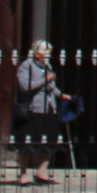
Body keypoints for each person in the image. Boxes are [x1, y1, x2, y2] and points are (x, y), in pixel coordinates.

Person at [12, 40, 61, 184]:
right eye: (45, 51)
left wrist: (62, 95)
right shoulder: (27, 65)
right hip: (34, 108)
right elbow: (25, 86)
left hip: (49, 107)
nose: (48, 54)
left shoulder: (48, 66)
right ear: (36, 52)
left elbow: (52, 87)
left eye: (49, 51)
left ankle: (42, 172)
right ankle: (23, 174)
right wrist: (45, 79)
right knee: (28, 141)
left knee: (49, 140)